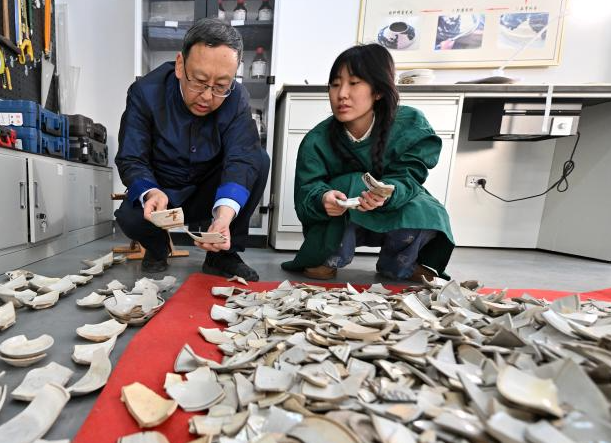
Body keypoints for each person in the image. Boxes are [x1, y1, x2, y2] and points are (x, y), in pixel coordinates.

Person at [281, 44, 455, 282]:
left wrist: (389, 193)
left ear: (379, 91)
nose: (342, 94)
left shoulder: (410, 123)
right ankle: (329, 257)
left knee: (427, 209)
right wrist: (322, 198)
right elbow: (306, 188)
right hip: (344, 218)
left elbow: (409, 176)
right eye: (335, 84)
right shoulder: (317, 139)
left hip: (394, 208)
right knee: (349, 185)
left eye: (354, 83)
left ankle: (401, 262)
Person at [114, 18, 270, 281]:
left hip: (208, 191)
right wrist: (150, 191)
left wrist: (224, 216)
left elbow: (242, 158)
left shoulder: (236, 99)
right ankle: (157, 247)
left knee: (259, 159)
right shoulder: (145, 93)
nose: (208, 96)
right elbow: (131, 156)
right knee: (130, 217)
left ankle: (223, 255)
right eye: (199, 81)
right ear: (180, 65)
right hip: (163, 192)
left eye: (221, 86)